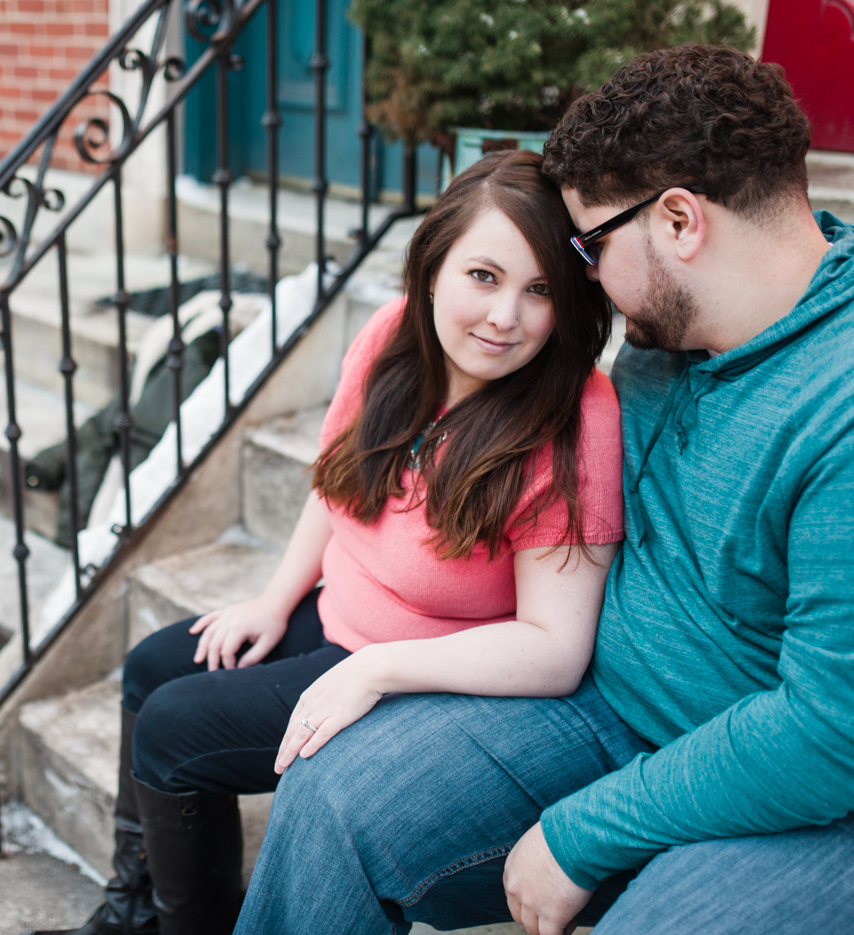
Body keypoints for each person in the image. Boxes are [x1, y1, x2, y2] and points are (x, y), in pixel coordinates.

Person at [232, 44, 854, 935]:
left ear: (680, 222)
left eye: (589, 245)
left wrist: (584, 831)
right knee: (335, 795)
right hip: (601, 708)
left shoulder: (838, 406)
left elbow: (829, 735)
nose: (585, 276)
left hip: (798, 795)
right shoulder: (667, 329)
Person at [32, 147, 624, 935]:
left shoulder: (574, 421)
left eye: (540, 289)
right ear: (433, 266)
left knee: (177, 730)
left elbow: (556, 648)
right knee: (152, 668)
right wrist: (276, 599)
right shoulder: (393, 338)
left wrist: (379, 668)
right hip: (340, 612)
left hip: (431, 665)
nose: (505, 316)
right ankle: (137, 911)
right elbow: (338, 479)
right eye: (483, 276)